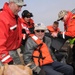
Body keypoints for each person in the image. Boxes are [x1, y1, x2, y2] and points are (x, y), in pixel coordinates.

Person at [0, 0, 26, 65]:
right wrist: (7, 60)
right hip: (5, 54)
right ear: (11, 3)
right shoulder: (2, 18)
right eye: (18, 6)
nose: (20, 9)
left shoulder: (15, 17)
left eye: (21, 6)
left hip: (14, 52)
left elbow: (17, 32)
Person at [51, 10, 75, 74]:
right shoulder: (68, 22)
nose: (62, 20)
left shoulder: (73, 20)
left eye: (62, 18)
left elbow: (71, 34)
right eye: (60, 19)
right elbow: (67, 33)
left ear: (66, 15)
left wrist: (58, 34)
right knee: (71, 60)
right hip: (72, 44)